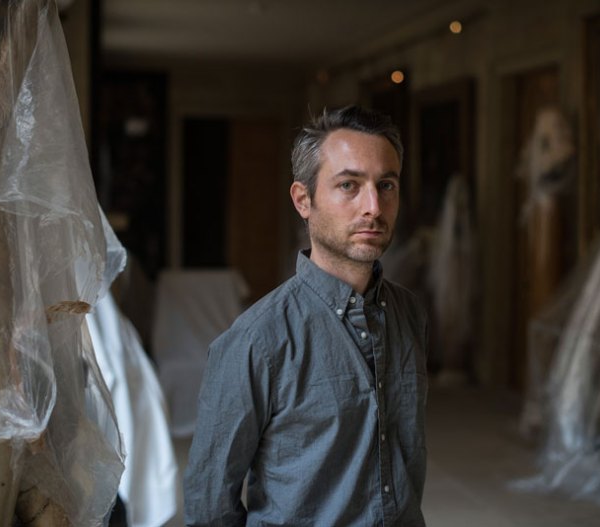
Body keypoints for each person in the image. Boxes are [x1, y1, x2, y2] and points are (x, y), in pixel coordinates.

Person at [183, 105, 429, 526]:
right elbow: (210, 504)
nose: (373, 206)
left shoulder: (409, 313)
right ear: (303, 200)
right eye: (349, 185)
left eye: (386, 185)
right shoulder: (256, 340)